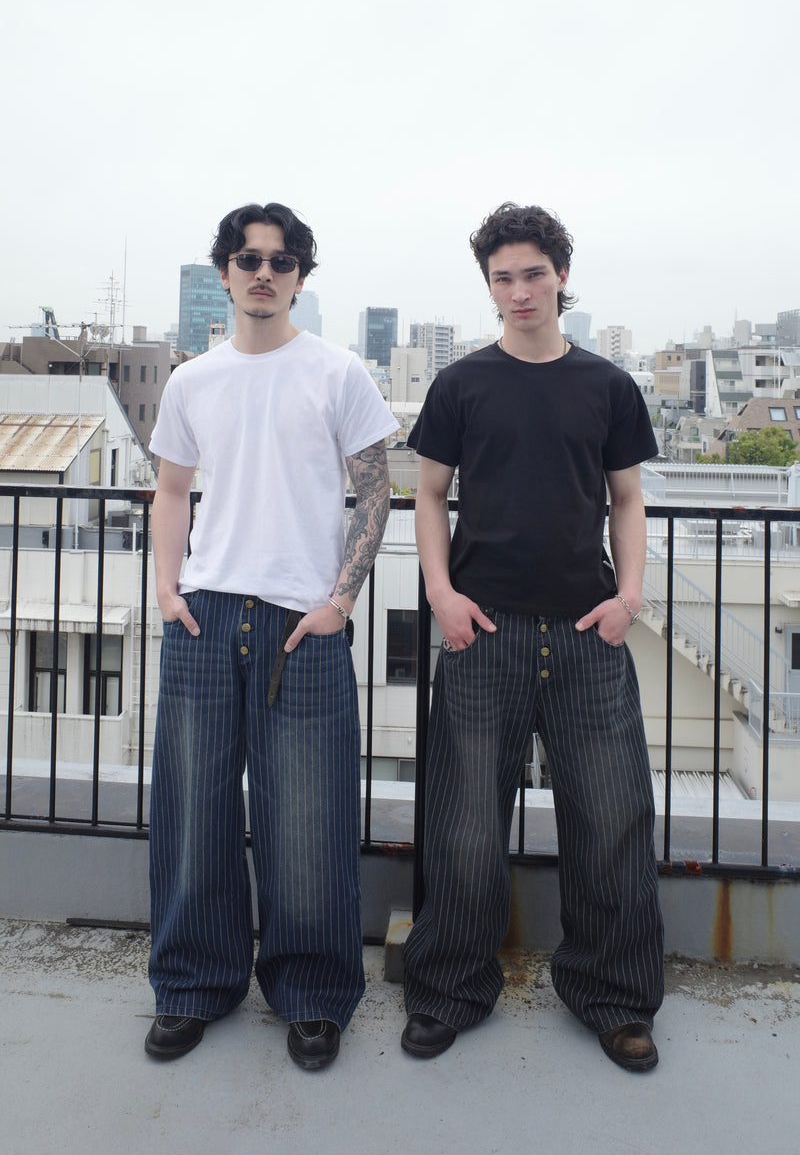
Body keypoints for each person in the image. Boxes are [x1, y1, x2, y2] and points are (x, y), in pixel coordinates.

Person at [402, 202, 664, 1072]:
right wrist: (441, 593)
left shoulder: (608, 385)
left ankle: (615, 999)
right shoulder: (461, 385)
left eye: (533, 274)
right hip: (484, 632)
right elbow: (428, 494)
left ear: (561, 277)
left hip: (590, 633)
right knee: (464, 825)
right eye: (502, 278)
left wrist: (629, 596)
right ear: (489, 287)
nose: (519, 291)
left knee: (614, 819)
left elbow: (627, 498)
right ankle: (447, 991)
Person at [144, 202, 397, 1070]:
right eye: (249, 258)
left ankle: (314, 996)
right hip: (206, 612)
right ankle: (192, 984)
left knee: (309, 818)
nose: (264, 272)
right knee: (192, 812)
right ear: (225, 272)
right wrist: (167, 588)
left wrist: (342, 599)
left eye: (281, 261)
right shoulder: (193, 381)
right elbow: (172, 489)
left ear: (300, 277)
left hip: (304, 621)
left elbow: (376, 490)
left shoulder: (338, 372)